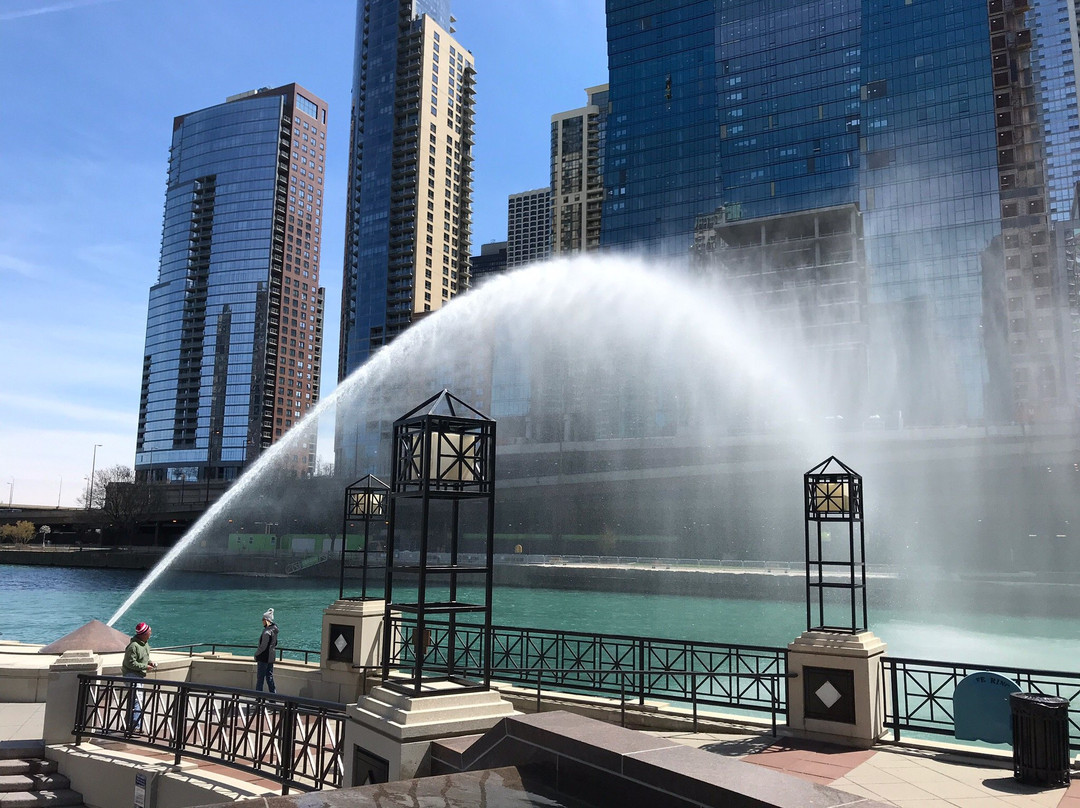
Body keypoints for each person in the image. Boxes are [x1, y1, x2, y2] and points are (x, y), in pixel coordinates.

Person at [121, 621, 156, 734]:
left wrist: (150, 663)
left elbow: (144, 658)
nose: (151, 633)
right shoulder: (133, 646)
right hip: (131, 675)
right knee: (137, 700)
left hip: (139, 675)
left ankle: (127, 725)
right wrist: (145, 666)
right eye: (149, 631)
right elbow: (130, 663)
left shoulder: (145, 644)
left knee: (133, 700)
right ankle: (135, 726)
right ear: (144, 633)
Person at [255, 608, 278, 694]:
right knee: (270, 678)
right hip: (271, 658)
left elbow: (262, 647)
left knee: (260, 679)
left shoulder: (266, 632)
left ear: (267, 620)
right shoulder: (274, 631)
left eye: (263, 619)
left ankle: (258, 699)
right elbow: (275, 644)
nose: (262, 621)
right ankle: (273, 699)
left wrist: (256, 654)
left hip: (263, 658)